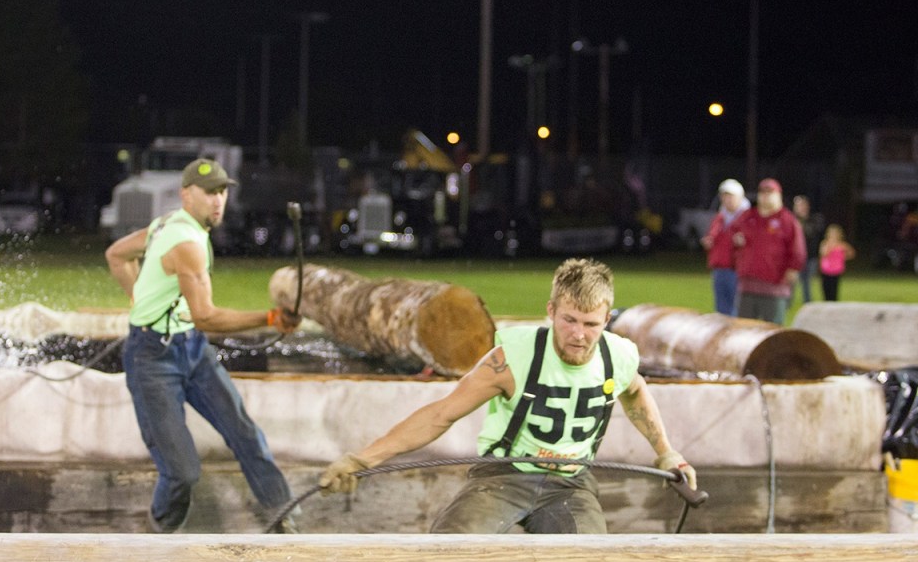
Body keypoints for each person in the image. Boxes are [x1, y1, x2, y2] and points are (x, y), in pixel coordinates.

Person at [319, 258, 696, 534]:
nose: (578, 334)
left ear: (607, 320)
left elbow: (635, 393)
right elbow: (441, 415)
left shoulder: (620, 355)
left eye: (590, 324)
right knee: (445, 551)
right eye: (569, 320)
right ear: (551, 311)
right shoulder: (511, 358)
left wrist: (666, 452)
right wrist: (361, 459)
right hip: (503, 476)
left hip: (571, 484)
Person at [105, 158, 301, 534]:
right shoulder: (186, 243)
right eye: (210, 192)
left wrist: (138, 297)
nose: (219, 200)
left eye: (223, 191)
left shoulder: (166, 224)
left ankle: (284, 517)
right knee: (182, 472)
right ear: (185, 195)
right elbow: (207, 317)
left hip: (190, 348)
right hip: (152, 358)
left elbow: (116, 254)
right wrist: (271, 319)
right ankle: (159, 531)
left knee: (246, 434)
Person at [730, 178, 806, 325]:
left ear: (779, 195)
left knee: (772, 334)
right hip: (747, 285)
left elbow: (797, 250)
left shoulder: (787, 221)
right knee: (743, 332)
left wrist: (793, 269)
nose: (765, 196)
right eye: (762, 192)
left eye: (770, 192)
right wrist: (736, 242)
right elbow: (732, 238)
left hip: (774, 287)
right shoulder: (747, 217)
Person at [700, 178, 749, 315]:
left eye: (730, 196)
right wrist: (709, 242)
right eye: (724, 196)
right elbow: (713, 236)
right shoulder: (720, 217)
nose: (726, 199)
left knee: (736, 309)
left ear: (740, 197)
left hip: (737, 270)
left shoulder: (748, 218)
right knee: (721, 310)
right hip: (719, 267)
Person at [791, 195, 825, 304]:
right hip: (795, 258)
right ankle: (787, 304)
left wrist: (801, 222)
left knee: (807, 282)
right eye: (797, 205)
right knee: (792, 282)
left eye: (802, 205)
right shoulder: (791, 220)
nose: (800, 208)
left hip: (810, 257)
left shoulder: (814, 219)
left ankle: (807, 303)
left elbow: (811, 234)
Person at [818, 224, 856, 301]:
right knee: (826, 289)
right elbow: (823, 254)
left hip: (836, 271)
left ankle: (833, 304)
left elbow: (852, 253)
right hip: (826, 270)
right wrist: (831, 247)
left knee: (834, 289)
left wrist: (843, 257)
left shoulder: (842, 245)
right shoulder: (825, 243)